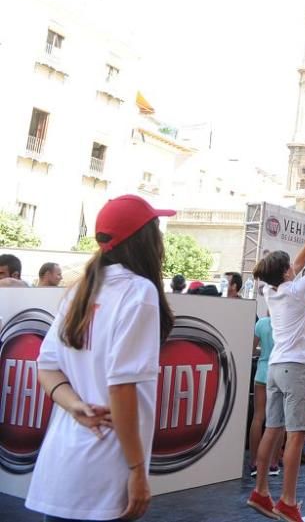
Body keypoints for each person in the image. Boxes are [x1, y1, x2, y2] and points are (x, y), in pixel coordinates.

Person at [24, 194, 176, 521]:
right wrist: (137, 470)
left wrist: (73, 404)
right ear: (145, 240)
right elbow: (121, 388)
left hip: (62, 470)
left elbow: (47, 368)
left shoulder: (82, 291)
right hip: (104, 474)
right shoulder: (139, 292)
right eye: (157, 229)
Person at [247, 206, 305, 522]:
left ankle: (261, 491)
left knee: (274, 429)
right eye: (291, 267)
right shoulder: (296, 291)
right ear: (285, 273)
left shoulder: (272, 289)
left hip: (276, 369)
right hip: (295, 369)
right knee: (296, 434)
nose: (295, 268)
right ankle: (288, 501)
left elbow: (298, 261)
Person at [249, 311, 281, 479]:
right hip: (279, 374)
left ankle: (254, 463)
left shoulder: (261, 323)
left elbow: (252, 350)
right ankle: (274, 464)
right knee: (277, 421)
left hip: (261, 374)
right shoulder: (285, 324)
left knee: (257, 417)